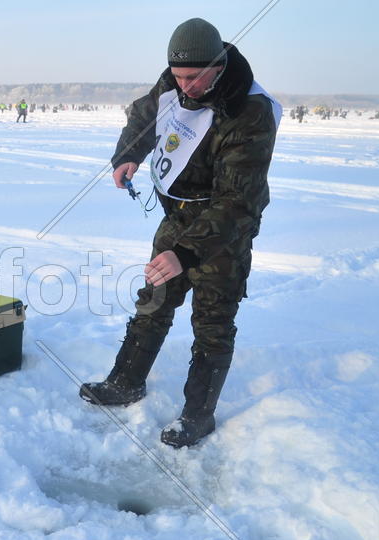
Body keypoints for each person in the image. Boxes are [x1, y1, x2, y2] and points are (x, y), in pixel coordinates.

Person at [80, 18, 281, 448]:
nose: (184, 86)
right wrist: (128, 154)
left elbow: (238, 201)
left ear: (219, 65)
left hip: (224, 231)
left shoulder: (251, 112)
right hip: (177, 217)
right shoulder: (174, 83)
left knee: (212, 321)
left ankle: (197, 415)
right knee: (153, 300)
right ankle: (125, 382)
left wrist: (186, 255)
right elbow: (146, 114)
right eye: (177, 76)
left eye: (194, 77)